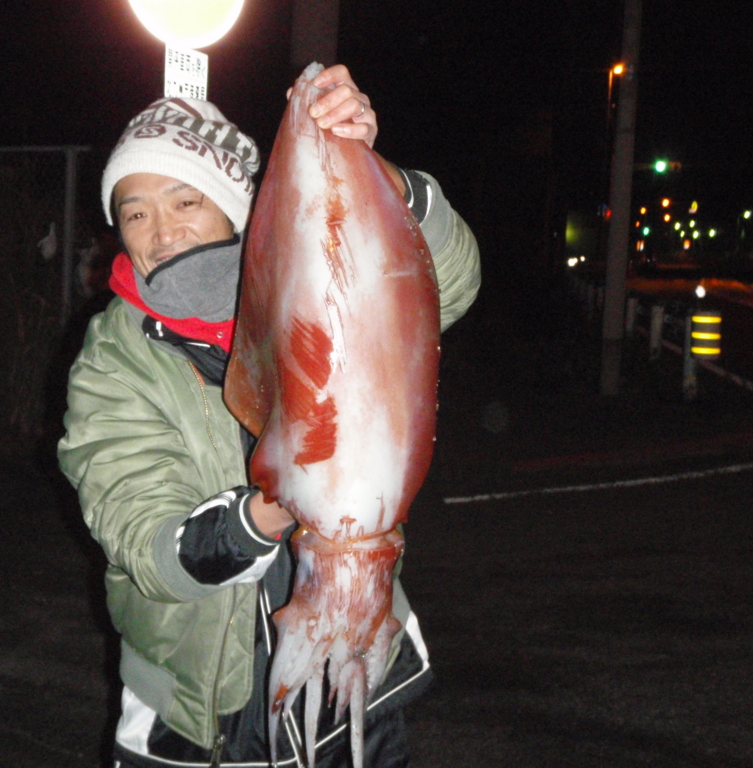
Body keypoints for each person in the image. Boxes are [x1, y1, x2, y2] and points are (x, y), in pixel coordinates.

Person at [58, 65, 481, 768]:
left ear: (235, 203)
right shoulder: (114, 361)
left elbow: (447, 284)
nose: (161, 231)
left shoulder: (312, 279)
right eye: (134, 212)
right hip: (193, 719)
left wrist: (375, 175)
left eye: (185, 200)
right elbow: (142, 536)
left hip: (354, 687)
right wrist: (257, 520)